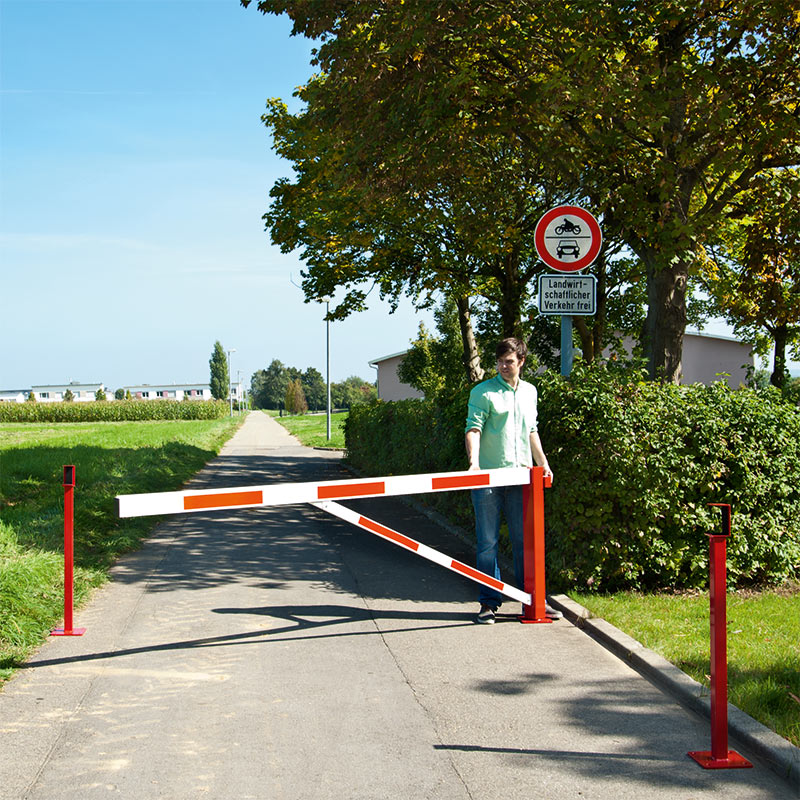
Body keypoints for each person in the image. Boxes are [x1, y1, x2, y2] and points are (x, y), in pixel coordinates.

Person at [464, 337, 560, 624]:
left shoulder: (530, 392)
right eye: (500, 362)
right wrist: (474, 464)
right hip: (489, 479)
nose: (504, 366)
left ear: (521, 362)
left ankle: (532, 602)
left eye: (509, 361)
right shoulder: (483, 392)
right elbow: (473, 429)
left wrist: (543, 464)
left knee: (525, 542)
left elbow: (532, 431)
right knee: (488, 543)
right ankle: (489, 603)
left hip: (523, 479)